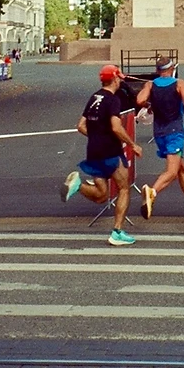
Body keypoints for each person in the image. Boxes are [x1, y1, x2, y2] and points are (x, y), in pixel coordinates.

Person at [61, 64, 143, 246]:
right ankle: (117, 231)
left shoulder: (94, 97)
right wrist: (132, 144)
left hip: (93, 150)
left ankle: (78, 186)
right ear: (114, 79)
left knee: (101, 195)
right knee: (124, 187)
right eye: (119, 78)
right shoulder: (113, 100)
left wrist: (97, 136)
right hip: (110, 150)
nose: (121, 80)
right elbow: (116, 127)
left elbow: (80, 125)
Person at [135, 56, 184, 223]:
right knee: (172, 171)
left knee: (182, 170)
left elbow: (139, 100)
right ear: (172, 68)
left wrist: (151, 104)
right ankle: (152, 192)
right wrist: (181, 106)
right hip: (175, 131)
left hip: (159, 132)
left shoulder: (150, 84)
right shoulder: (179, 83)